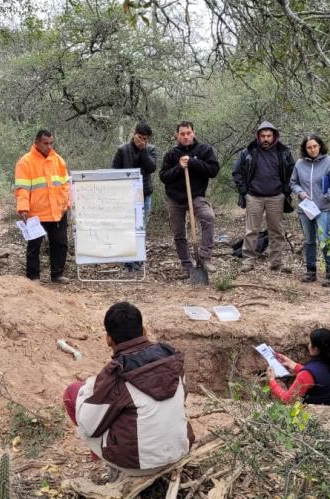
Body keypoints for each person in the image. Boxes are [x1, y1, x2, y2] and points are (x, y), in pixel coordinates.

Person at [63, 302, 194, 477]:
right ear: (144, 330)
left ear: (108, 339)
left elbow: (88, 427)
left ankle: (102, 457)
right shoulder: (172, 358)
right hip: (180, 450)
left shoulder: (117, 374)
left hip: (137, 465)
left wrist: (89, 388)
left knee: (73, 393)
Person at [232, 121, 296, 273]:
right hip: (254, 197)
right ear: (258, 137)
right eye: (263, 136)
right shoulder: (248, 151)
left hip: (276, 197)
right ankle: (248, 262)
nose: (266, 139)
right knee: (251, 231)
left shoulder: (283, 151)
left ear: (274, 136)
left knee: (276, 232)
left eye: (269, 136)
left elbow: (292, 173)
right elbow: (236, 172)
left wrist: (284, 192)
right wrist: (245, 193)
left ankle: (276, 263)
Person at [159, 121, 219, 277]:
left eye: (188, 133)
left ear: (193, 133)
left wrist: (193, 162)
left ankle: (205, 258)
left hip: (196, 196)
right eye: (182, 134)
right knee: (178, 232)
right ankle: (187, 265)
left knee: (208, 217)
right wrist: (179, 167)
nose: (186, 137)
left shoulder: (205, 150)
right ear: (177, 135)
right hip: (175, 198)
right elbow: (164, 177)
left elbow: (213, 170)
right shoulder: (171, 154)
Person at [14, 130, 71, 283]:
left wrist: (66, 204)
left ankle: (57, 274)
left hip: (58, 212)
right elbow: (22, 188)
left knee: (60, 243)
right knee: (34, 246)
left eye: (51, 143)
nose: (49, 146)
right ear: (37, 142)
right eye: (45, 143)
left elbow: (66, 185)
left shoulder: (58, 160)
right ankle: (33, 277)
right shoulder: (25, 162)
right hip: (36, 213)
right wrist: (23, 208)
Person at [290, 134, 330, 285]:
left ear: (320, 146)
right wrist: (300, 192)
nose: (312, 150)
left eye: (315, 146)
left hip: (323, 208)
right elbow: (293, 182)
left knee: (324, 239)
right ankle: (310, 271)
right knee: (309, 240)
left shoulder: (329, 161)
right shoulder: (300, 163)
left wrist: (329, 194)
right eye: (309, 147)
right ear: (305, 149)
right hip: (305, 209)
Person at [112, 122, 157, 273]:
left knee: (141, 227)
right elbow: (114, 171)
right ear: (134, 134)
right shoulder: (122, 149)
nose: (142, 141)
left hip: (144, 194)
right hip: (125, 195)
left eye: (145, 139)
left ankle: (138, 260)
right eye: (140, 137)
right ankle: (128, 263)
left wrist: (143, 151)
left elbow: (152, 168)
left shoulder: (150, 149)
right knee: (127, 226)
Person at [267, 328, 330, 406]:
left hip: (313, 415)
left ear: (315, 349)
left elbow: (287, 400)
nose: (309, 345)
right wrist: (290, 363)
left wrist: (271, 380)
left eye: (310, 343)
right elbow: (320, 376)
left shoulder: (308, 374)